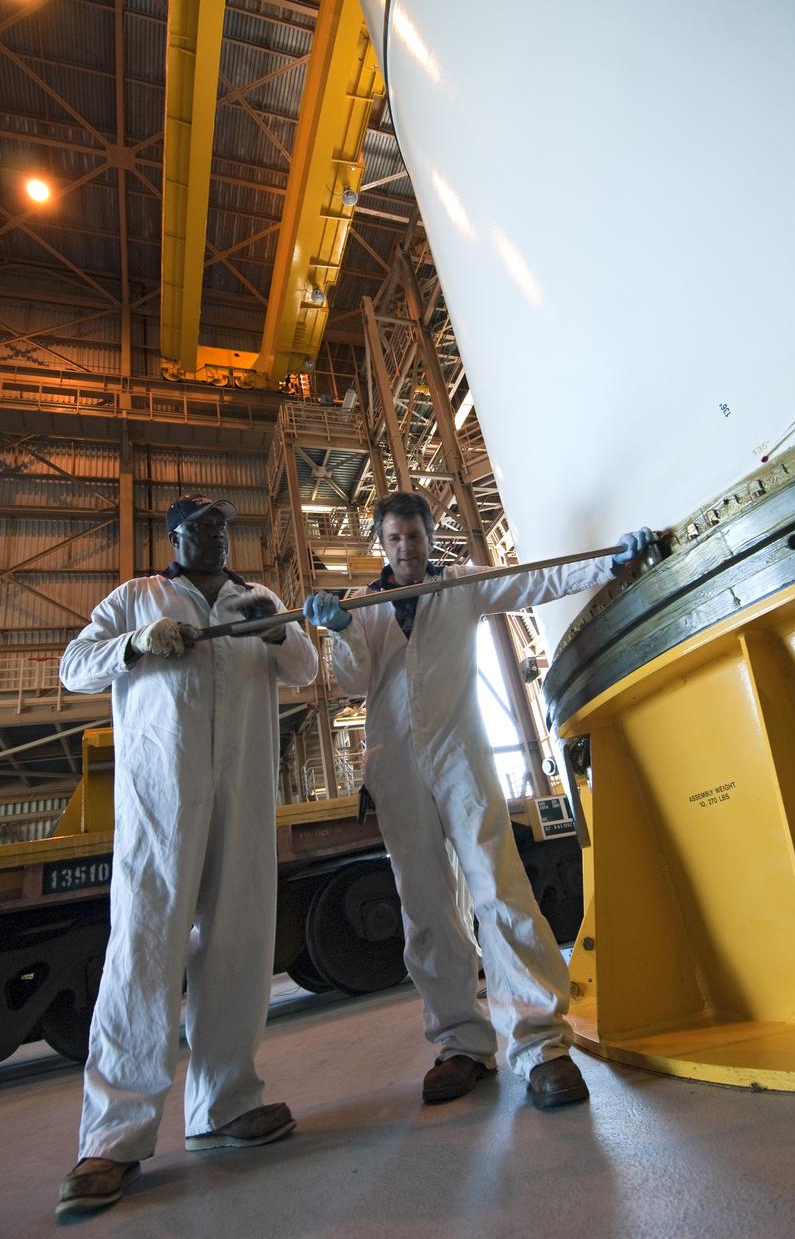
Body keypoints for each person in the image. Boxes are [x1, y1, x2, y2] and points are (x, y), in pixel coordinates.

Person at [303, 491, 652, 1111]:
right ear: (380, 545)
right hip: (396, 769)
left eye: (415, 537)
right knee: (424, 906)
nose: (406, 549)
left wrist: (608, 564)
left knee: (499, 886)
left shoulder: (462, 585)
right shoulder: (363, 606)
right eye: (394, 540)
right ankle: (461, 1044)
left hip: (464, 757)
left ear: (429, 538)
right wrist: (342, 630)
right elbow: (354, 682)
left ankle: (541, 1043)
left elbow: (532, 582)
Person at [56, 495, 318, 1216]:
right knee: (144, 951)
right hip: (158, 798)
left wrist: (269, 633)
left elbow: (303, 664)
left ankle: (226, 1104)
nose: (213, 535)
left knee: (237, 943)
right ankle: (111, 1138)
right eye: (199, 526)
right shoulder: (137, 596)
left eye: (221, 526)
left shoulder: (256, 597)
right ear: (172, 534)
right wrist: (136, 644)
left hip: (242, 786)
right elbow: (74, 665)